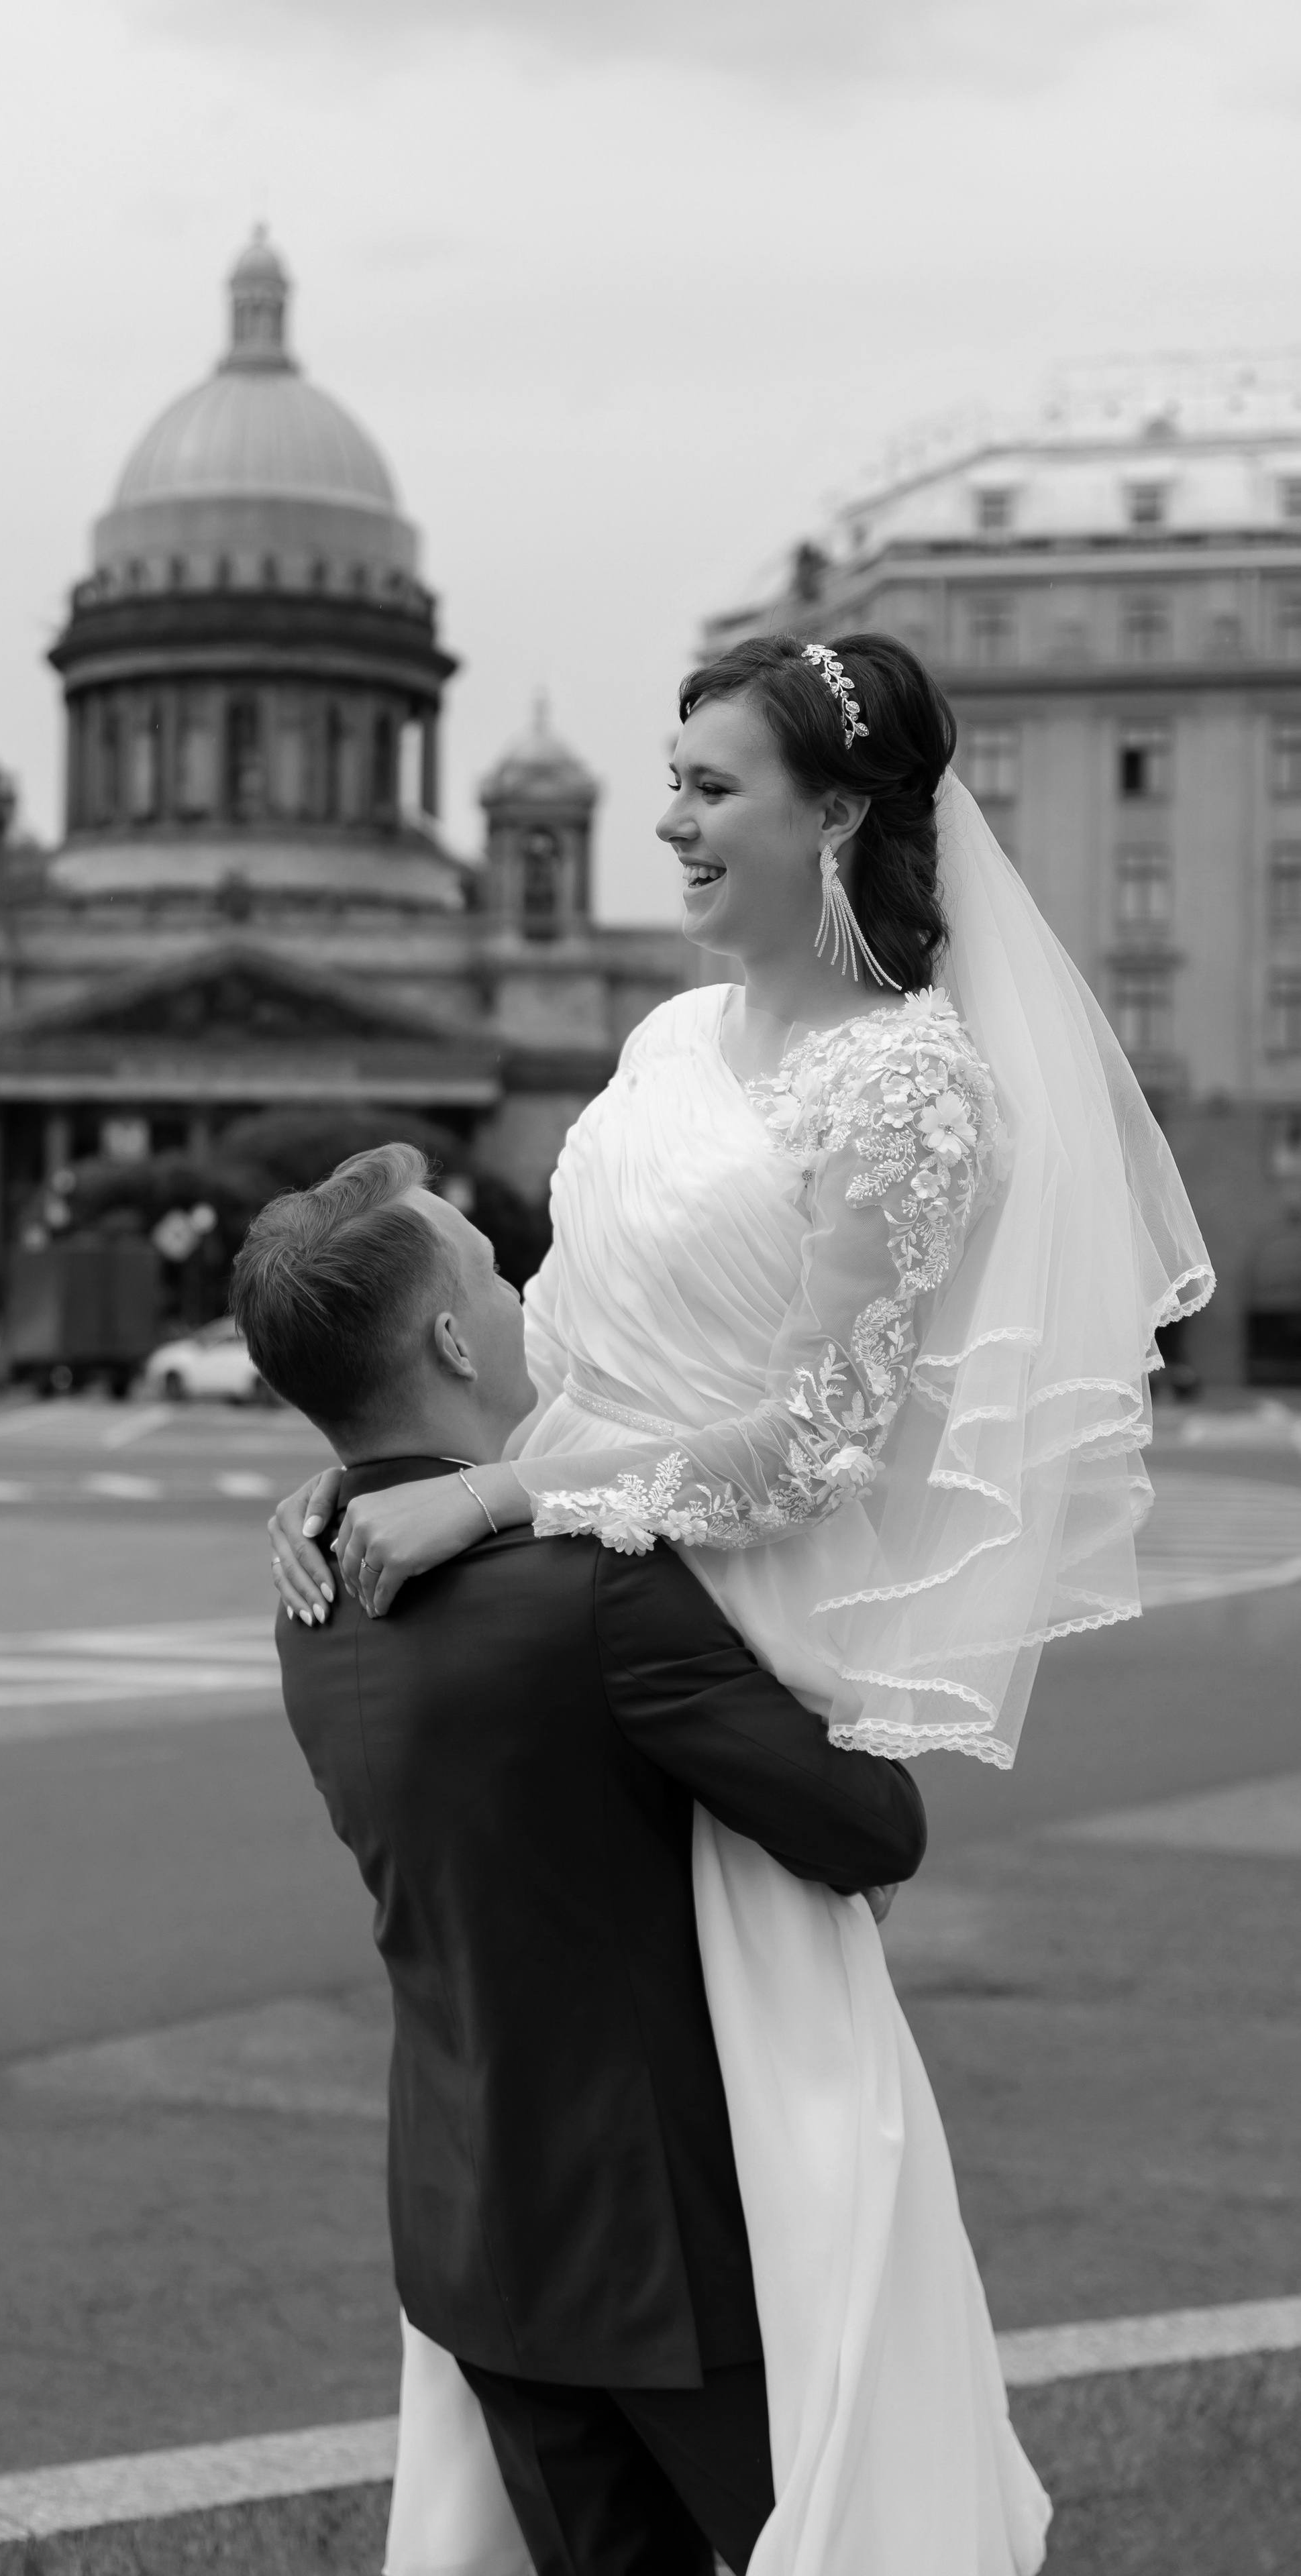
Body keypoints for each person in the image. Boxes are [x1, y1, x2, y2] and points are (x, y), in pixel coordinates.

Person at [270, 632, 1213, 2576]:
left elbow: (815, 1448)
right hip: (571, 1627)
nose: (673, 819)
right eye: (672, 776)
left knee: (763, 2260)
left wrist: (498, 1502)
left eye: (713, 786)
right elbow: (549, 1361)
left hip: (716, 1632)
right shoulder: (661, 1046)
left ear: (843, 816)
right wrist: (379, 1483)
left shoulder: (912, 1087)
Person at [231, 1142, 929, 2576]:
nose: (525, 1292)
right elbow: (872, 1827)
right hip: (668, 2253)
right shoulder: (596, 1588)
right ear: (444, 1336)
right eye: (492, 1273)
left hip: (473, 2236)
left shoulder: (312, 1596)